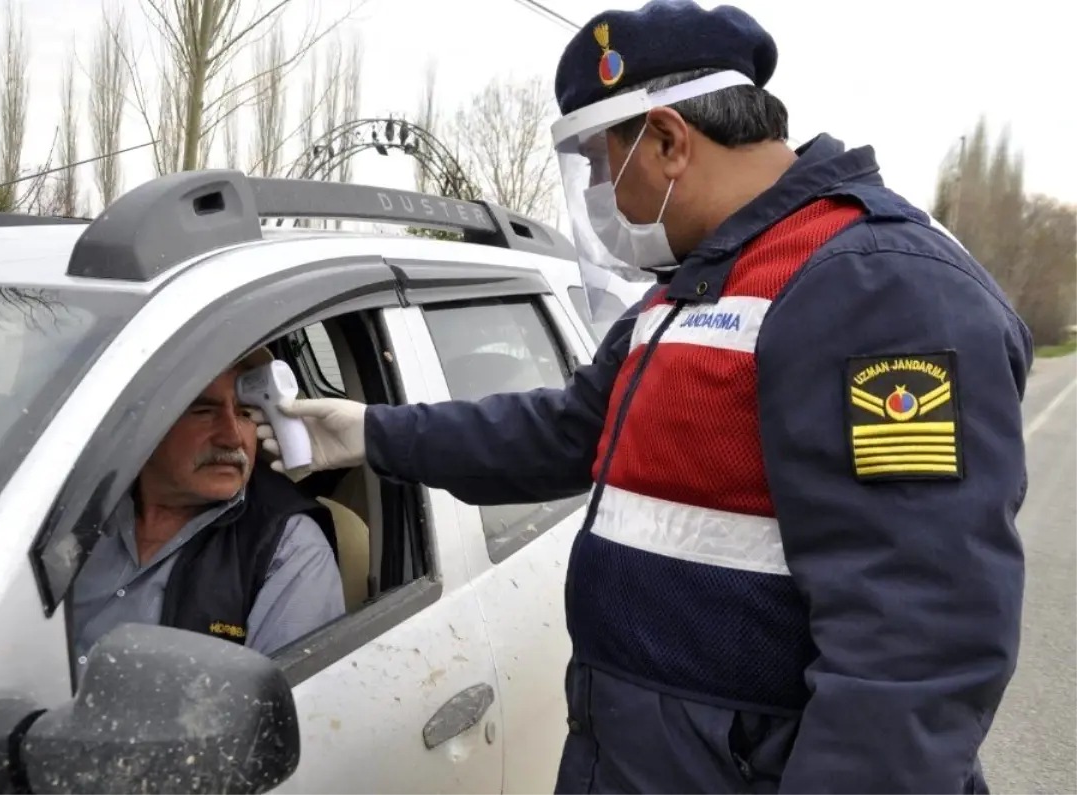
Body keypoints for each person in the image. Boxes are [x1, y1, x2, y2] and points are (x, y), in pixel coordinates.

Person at [255, 2, 1031, 792]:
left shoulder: (875, 288)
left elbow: (914, 655)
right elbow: (563, 433)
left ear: (667, 140)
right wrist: (371, 433)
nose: (596, 191)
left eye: (599, 162)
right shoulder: (688, 292)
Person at [71, 347, 344, 674]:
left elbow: (283, 707)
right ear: (145, 424)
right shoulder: (76, 509)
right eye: (203, 410)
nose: (232, 437)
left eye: (246, 413)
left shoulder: (287, 548)